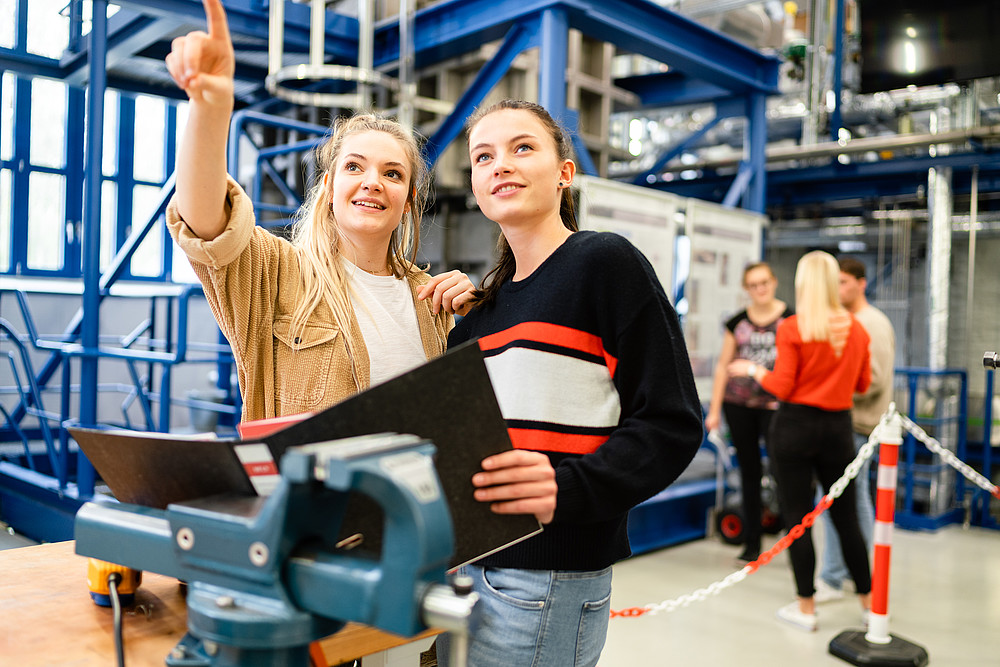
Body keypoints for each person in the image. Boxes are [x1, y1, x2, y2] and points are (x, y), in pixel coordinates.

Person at [438, 99, 704, 667]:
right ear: (476, 188)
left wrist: (569, 488)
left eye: (522, 147)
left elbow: (670, 422)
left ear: (565, 172)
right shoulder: (481, 314)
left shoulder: (604, 264)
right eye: (483, 157)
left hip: (545, 580)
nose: (500, 165)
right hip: (467, 569)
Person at [163, 0, 474, 423]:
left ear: (408, 199)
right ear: (328, 187)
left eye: (393, 173)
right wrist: (211, 107)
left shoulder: (430, 300)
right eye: (353, 166)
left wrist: (475, 314)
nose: (372, 182)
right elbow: (205, 224)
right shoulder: (277, 274)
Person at [728, 250, 872, 632]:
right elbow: (863, 384)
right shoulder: (856, 329)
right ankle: (870, 606)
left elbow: (782, 386)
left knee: (798, 518)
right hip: (839, 429)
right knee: (846, 518)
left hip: (794, 427)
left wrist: (753, 369)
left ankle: (806, 609)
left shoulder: (793, 328)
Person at [814, 257, 896, 601]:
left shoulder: (870, 323)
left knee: (843, 501)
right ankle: (850, 572)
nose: (839, 288)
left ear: (861, 284)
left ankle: (835, 577)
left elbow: (873, 381)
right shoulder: (848, 320)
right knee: (846, 500)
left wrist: (826, 388)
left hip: (858, 425)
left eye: (844, 282)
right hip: (846, 424)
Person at [705, 262, 792, 562]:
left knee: (783, 472)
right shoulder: (737, 323)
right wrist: (714, 410)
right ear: (747, 289)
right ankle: (752, 543)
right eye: (754, 285)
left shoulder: (789, 319)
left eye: (764, 282)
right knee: (749, 473)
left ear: (774, 282)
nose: (760, 289)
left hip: (775, 407)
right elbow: (722, 367)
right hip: (739, 405)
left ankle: (794, 540)